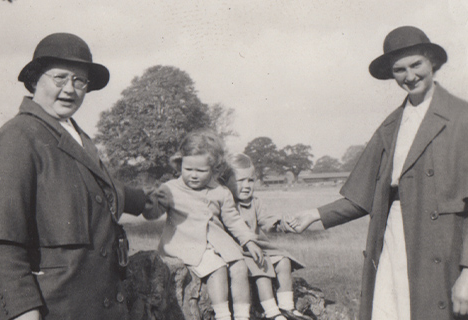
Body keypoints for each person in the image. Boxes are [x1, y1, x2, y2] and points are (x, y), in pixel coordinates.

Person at [0, 33, 149, 320]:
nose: (69, 90)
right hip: (47, 311)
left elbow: (97, 187)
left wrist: (146, 201)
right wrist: (24, 311)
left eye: (79, 81)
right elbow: (0, 244)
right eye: (59, 78)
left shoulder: (71, 135)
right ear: (35, 80)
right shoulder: (17, 139)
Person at [290, 26, 468, 320]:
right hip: (394, 237)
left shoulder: (461, 118)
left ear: (431, 62)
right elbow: (365, 195)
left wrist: (467, 273)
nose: (409, 76)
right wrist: (315, 214)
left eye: (416, 65)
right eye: (399, 70)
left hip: (442, 247)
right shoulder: (391, 125)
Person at [145, 130, 264, 320]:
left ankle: (243, 315)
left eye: (201, 171)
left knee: (240, 266)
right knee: (217, 268)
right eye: (188, 169)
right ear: (179, 164)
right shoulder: (170, 189)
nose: (193, 175)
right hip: (186, 242)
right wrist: (150, 203)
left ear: (214, 170)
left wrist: (249, 240)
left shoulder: (220, 191)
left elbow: (233, 220)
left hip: (219, 243)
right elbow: (153, 213)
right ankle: (223, 315)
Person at [220, 153, 309, 320]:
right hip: (238, 251)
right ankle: (271, 311)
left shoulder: (255, 202)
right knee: (262, 268)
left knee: (283, 261)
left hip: (256, 248)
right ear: (225, 181)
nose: (246, 186)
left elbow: (266, 220)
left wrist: (280, 223)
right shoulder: (225, 203)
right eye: (240, 180)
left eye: (251, 180)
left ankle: (286, 306)